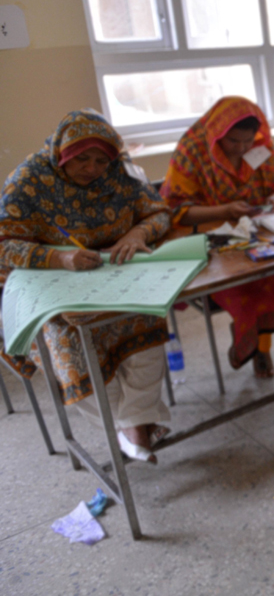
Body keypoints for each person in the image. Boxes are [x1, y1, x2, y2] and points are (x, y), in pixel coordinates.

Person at [0, 110, 173, 464]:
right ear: (62, 153)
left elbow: (160, 211)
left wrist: (137, 232)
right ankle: (131, 426)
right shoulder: (29, 179)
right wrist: (60, 258)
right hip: (54, 284)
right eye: (81, 158)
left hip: (118, 273)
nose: (92, 168)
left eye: (100, 160)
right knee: (78, 352)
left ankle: (135, 427)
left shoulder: (120, 173)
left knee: (148, 338)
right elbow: (4, 243)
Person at [160, 97, 274, 379]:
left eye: (247, 142)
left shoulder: (260, 145)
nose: (241, 148)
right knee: (248, 293)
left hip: (261, 235)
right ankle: (252, 344)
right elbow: (173, 211)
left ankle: (261, 343)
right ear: (217, 135)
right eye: (234, 142)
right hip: (215, 245)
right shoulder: (192, 150)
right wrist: (224, 210)